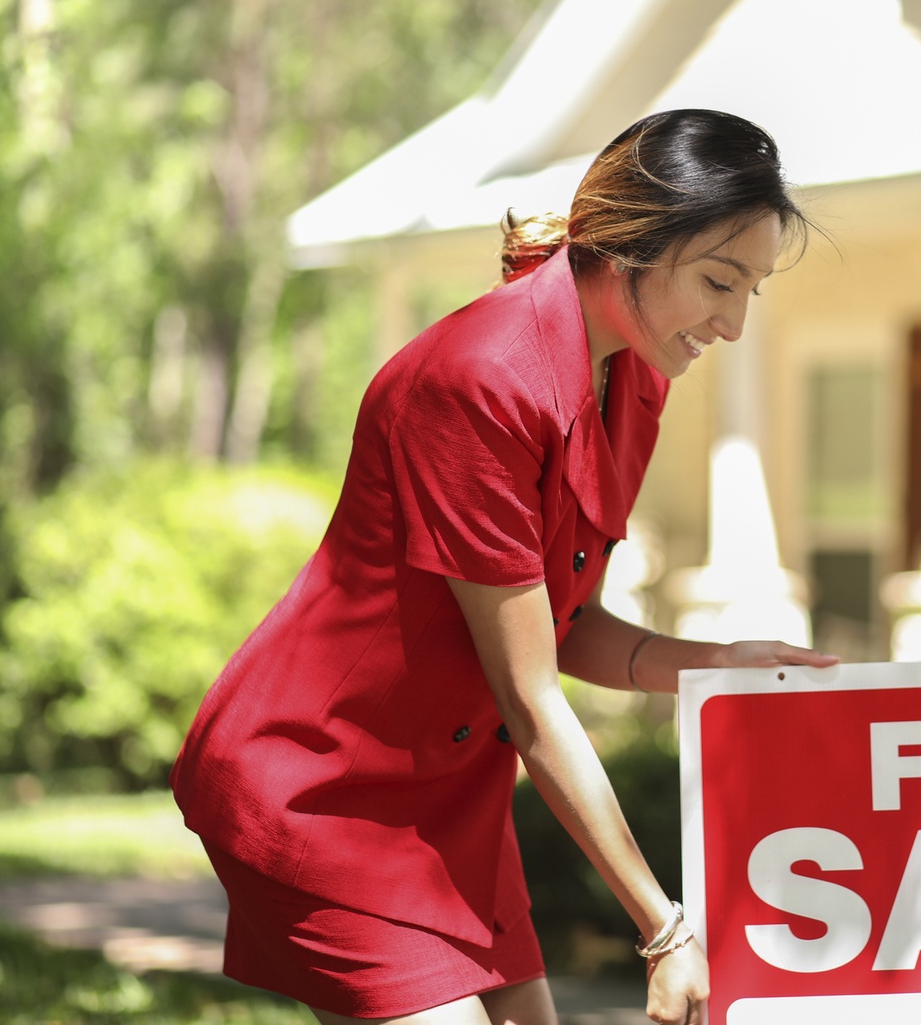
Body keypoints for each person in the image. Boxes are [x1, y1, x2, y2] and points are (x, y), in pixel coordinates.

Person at [170, 108, 839, 1025]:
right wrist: (665, 929)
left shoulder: (633, 374)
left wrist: (713, 665)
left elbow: (566, 631)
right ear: (635, 240)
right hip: (322, 787)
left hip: (450, 806)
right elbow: (530, 701)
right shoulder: (482, 379)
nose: (730, 323)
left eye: (750, 291)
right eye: (719, 280)